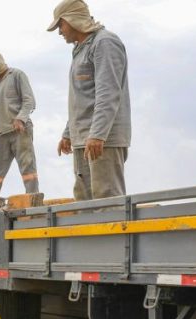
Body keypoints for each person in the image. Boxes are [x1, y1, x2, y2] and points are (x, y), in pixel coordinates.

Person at [49, 0, 131, 200]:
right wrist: (69, 134)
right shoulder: (80, 50)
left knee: (106, 201)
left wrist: (97, 135)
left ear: (72, 20)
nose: (60, 31)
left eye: (61, 25)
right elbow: (81, 97)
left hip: (103, 141)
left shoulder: (104, 43)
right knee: (84, 203)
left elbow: (108, 93)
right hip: (83, 140)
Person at [0, 50, 39, 199]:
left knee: (27, 167)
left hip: (20, 131)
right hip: (0, 134)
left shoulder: (17, 75)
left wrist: (21, 118)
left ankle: (32, 199)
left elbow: (29, 101)